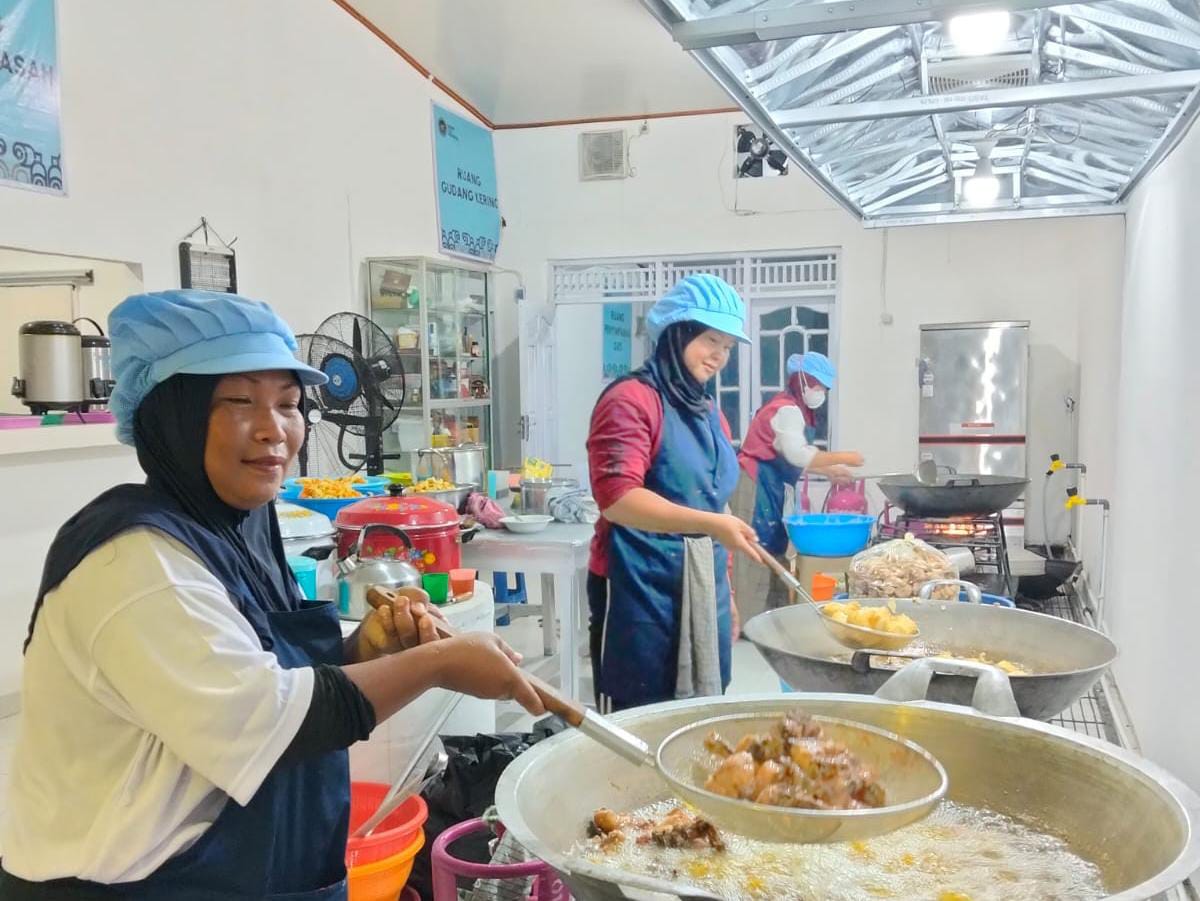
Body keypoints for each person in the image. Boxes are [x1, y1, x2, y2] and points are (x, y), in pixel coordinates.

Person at [0, 290, 543, 900]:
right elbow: (265, 722)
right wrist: (439, 663)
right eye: (239, 401)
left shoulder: (238, 522)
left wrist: (365, 650)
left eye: (288, 404)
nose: (274, 429)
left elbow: (259, 671)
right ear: (172, 414)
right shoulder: (133, 562)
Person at [586, 274, 761, 714]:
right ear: (676, 333)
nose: (720, 355)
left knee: (702, 714)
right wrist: (712, 525)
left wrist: (727, 594)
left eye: (728, 346)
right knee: (641, 712)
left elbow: (715, 501)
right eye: (711, 340)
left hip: (703, 582)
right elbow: (618, 499)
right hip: (637, 586)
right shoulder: (631, 400)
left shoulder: (708, 411)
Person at [731, 351, 864, 624]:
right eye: (817, 386)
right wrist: (843, 457)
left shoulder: (796, 411)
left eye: (824, 389)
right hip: (754, 484)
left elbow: (787, 456)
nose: (820, 393)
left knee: (773, 545)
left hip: (771, 483)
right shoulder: (787, 410)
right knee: (755, 548)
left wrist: (828, 472)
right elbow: (796, 454)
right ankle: (749, 622)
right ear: (802, 382)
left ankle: (772, 615)